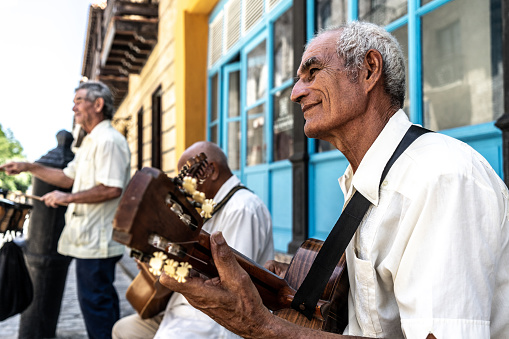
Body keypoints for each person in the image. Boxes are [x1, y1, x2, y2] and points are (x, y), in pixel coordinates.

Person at [158, 21, 509, 339]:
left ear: (369, 70)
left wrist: (260, 326)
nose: (296, 92)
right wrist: (287, 285)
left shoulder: (439, 178)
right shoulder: (366, 177)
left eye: (312, 71)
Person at [0, 81, 131, 339]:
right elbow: (68, 178)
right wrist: (28, 167)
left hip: (98, 242)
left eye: (79, 100)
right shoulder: (91, 142)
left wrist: (66, 198)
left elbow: (111, 189)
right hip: (86, 241)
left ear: (98, 104)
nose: (74, 107)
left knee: (98, 309)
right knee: (94, 306)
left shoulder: (109, 140)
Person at [112, 141, 274, 339]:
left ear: (210, 170)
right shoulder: (209, 206)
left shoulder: (243, 208)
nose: (182, 189)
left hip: (213, 318)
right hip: (182, 306)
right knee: (123, 329)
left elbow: (232, 286)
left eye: (187, 176)